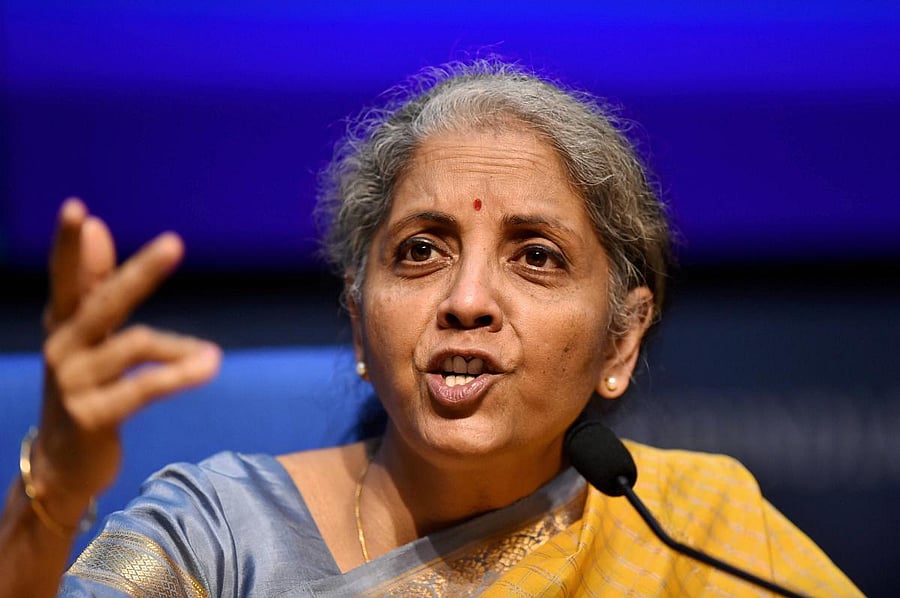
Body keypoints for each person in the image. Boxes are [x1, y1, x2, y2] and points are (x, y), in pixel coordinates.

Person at [0, 61, 859, 597]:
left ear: (620, 344)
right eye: (420, 251)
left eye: (535, 257)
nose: (468, 299)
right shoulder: (220, 532)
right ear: (359, 319)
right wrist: (57, 496)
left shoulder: (699, 532)